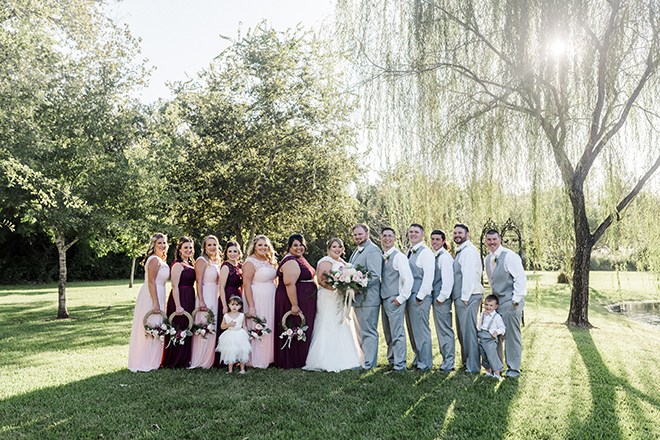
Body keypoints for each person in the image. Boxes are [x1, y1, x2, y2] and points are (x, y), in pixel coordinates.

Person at [303, 238, 364, 372]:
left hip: (339, 298)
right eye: (334, 247)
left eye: (340, 247)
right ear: (329, 248)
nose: (337, 249)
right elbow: (322, 281)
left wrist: (350, 287)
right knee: (328, 323)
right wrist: (341, 289)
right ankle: (322, 360)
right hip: (328, 298)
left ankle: (346, 357)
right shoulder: (325, 261)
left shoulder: (343, 262)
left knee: (342, 323)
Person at [484, 229, 527, 377]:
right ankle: (497, 368)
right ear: (485, 242)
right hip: (497, 303)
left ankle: (513, 369)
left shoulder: (509, 256)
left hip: (510, 301)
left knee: (511, 336)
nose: (491, 242)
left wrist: (515, 301)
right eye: (488, 240)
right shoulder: (487, 259)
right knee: (495, 335)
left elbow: (520, 279)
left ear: (500, 239)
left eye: (494, 239)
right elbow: (492, 281)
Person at [128, 233, 170, 372]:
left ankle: (153, 359)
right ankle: (145, 361)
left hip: (159, 292)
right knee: (151, 325)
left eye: (164, 243)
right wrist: (156, 302)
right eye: (160, 243)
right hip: (152, 295)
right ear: (153, 245)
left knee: (156, 325)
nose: (163, 245)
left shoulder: (160, 259)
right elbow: (151, 281)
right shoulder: (154, 260)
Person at [274, 233, 317, 369]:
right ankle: (294, 360)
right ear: (289, 246)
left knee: (303, 327)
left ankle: (302, 358)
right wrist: (294, 305)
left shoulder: (299, 258)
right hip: (294, 300)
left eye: (301, 245)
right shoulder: (291, 261)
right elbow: (289, 283)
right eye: (295, 245)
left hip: (304, 299)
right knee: (296, 326)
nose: (299, 248)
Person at [379, 228, 413, 371]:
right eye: (384, 236)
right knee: (388, 332)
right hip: (384, 298)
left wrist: (401, 299)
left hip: (395, 299)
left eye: (390, 236)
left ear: (395, 239)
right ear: (381, 238)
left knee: (397, 332)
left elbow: (409, 280)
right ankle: (392, 359)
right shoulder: (384, 256)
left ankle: (400, 364)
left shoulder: (399, 256)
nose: (387, 238)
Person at [452, 223, 485, 373]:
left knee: (469, 332)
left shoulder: (469, 251)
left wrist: (464, 297)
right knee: (463, 332)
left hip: (469, 296)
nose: (457, 235)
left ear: (467, 234)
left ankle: (473, 366)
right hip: (463, 296)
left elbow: (469, 275)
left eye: (460, 232)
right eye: (455, 233)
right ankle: (466, 362)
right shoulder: (462, 251)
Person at [349, 223, 382, 369]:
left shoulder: (373, 250)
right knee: (360, 333)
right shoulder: (357, 251)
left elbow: (374, 275)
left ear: (367, 234)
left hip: (368, 299)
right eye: (355, 235)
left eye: (360, 234)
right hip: (357, 300)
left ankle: (370, 363)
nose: (357, 237)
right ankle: (363, 360)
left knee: (369, 332)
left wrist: (357, 288)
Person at [161, 236, 196, 368]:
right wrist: (178, 305)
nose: (188, 250)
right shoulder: (177, 265)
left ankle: (185, 359)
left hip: (190, 296)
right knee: (179, 327)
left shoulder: (190, 264)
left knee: (188, 326)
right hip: (180, 297)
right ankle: (175, 360)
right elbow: (174, 286)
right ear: (180, 250)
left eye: (190, 248)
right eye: (185, 247)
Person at [242, 235, 277, 369]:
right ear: (254, 246)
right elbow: (246, 284)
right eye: (260, 245)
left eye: (266, 245)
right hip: (256, 298)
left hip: (270, 297)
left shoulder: (269, 260)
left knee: (269, 324)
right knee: (258, 325)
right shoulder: (250, 262)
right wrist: (251, 307)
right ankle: (256, 359)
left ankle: (269, 357)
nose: (263, 248)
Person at [405, 223, 435, 371]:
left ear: (422, 235)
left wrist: (420, 297)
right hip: (410, 296)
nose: (413, 234)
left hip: (420, 297)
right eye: (411, 232)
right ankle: (419, 358)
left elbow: (428, 277)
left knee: (421, 331)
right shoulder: (409, 251)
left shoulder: (426, 252)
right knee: (412, 330)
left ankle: (425, 364)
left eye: (416, 232)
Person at [189, 235, 221, 369]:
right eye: (209, 245)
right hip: (206, 295)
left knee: (213, 325)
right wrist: (201, 300)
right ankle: (201, 360)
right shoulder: (201, 261)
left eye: (214, 244)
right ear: (204, 247)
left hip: (215, 295)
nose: (212, 247)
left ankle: (211, 359)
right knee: (204, 325)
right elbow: (199, 281)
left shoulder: (217, 262)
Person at [430, 229, 455, 372]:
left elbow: (448, 281)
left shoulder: (444, 257)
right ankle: (446, 360)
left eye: (437, 239)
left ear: (444, 241)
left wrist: (440, 299)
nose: (434, 242)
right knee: (441, 330)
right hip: (438, 298)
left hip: (442, 299)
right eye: (432, 239)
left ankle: (449, 362)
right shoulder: (437, 255)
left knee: (445, 330)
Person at [216, 295, 251, 374]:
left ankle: (242, 369)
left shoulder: (242, 315)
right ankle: (230, 370)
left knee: (241, 351)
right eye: (232, 304)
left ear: (240, 306)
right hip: (230, 335)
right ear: (228, 305)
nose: (234, 307)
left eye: (237, 305)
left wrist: (247, 336)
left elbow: (244, 326)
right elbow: (222, 326)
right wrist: (228, 324)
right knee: (230, 351)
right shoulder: (226, 316)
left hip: (240, 334)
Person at [478, 294, 506, 379]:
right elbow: (480, 321)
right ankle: (488, 372)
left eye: (491, 305)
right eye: (486, 305)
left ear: (496, 306)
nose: (488, 307)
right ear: (483, 304)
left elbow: (502, 328)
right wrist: (479, 328)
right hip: (482, 336)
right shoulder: (483, 313)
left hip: (490, 339)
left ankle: (497, 374)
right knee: (484, 356)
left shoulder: (497, 317)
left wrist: (496, 332)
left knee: (491, 356)